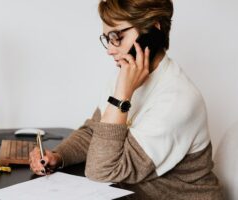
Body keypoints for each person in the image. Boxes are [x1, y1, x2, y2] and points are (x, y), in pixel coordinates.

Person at [29, 0, 223, 199]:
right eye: (107, 38)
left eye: (117, 37)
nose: (110, 50)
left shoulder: (178, 99)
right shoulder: (127, 78)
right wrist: (58, 156)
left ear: (152, 31)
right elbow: (93, 132)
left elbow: (101, 171)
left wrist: (121, 96)